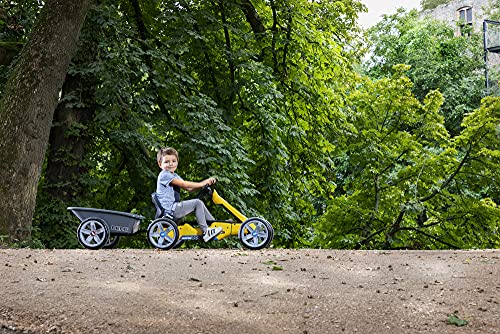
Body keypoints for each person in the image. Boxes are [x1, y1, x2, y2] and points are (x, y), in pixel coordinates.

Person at [156, 147, 222, 242]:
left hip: (173, 208)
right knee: (197, 203)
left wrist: (204, 184)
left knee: (200, 204)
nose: (171, 164)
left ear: (177, 162)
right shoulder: (164, 175)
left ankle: (215, 225)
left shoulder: (174, 175)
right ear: (160, 164)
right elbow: (183, 184)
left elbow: (189, 188)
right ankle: (206, 231)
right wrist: (202, 184)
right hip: (170, 210)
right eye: (167, 162)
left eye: (174, 161)